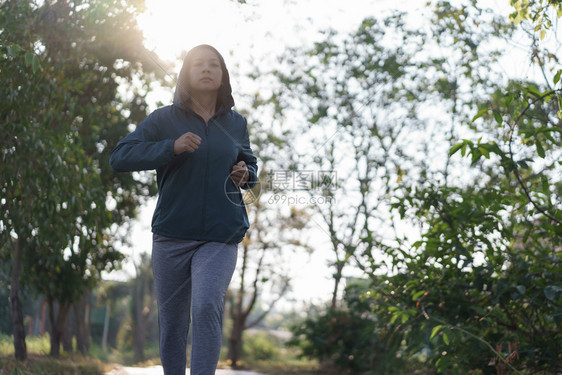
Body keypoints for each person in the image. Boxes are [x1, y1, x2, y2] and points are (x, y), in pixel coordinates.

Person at [109, 44, 258, 375]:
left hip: (221, 234)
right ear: (186, 75)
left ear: (223, 76)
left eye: (213, 65)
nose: (206, 69)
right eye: (198, 65)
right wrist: (169, 147)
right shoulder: (164, 119)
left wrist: (246, 174)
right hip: (172, 236)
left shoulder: (236, 123)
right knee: (173, 323)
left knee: (206, 306)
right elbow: (119, 156)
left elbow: (249, 164)